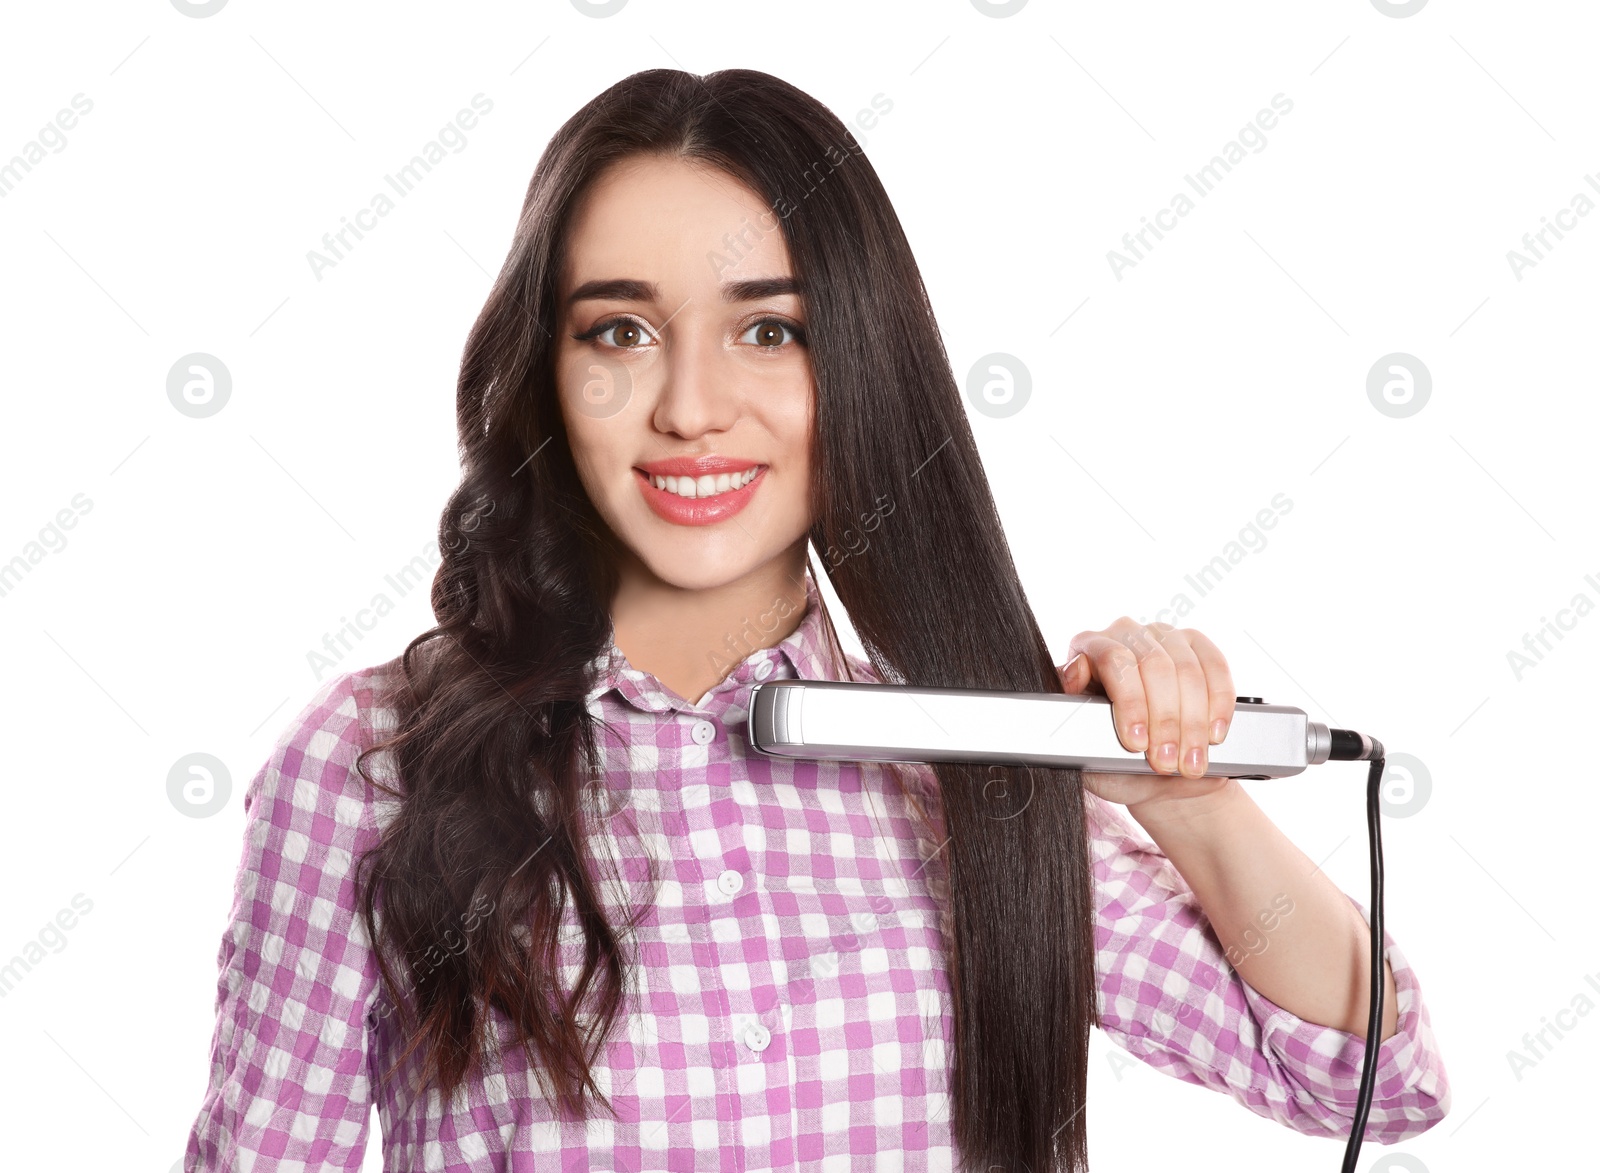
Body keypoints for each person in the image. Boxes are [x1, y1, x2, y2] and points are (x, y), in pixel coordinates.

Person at [184, 68, 1449, 1172]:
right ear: (546, 375)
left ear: (856, 367)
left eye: (768, 331)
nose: (690, 405)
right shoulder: (367, 769)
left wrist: (1187, 798)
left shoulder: (977, 770)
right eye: (620, 330)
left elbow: (1369, 1086)